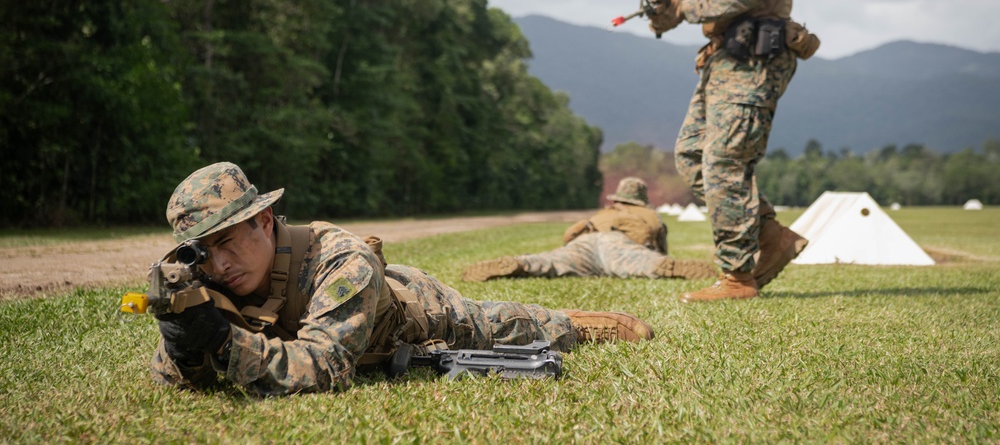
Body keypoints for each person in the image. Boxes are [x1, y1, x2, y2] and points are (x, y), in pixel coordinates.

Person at [149, 162, 654, 395]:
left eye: (227, 242)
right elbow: (180, 381)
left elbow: (325, 370)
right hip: (345, 332)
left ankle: (577, 324)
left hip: (412, 314)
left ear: (264, 221)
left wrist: (223, 339)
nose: (217, 266)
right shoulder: (207, 277)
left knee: (497, 325)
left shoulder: (339, 259)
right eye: (203, 252)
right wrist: (183, 339)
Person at [642, 0, 814, 302]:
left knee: (724, 161)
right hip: (727, 57)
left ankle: (738, 277)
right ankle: (769, 236)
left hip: (757, 58)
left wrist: (686, 9)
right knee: (694, 154)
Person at [461, 177, 716, 282]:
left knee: (552, 261)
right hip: (617, 242)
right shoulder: (649, 214)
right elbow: (656, 243)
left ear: (617, 199)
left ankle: (522, 263)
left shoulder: (605, 212)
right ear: (641, 199)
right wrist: (662, 257)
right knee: (637, 262)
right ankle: (662, 267)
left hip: (585, 242)